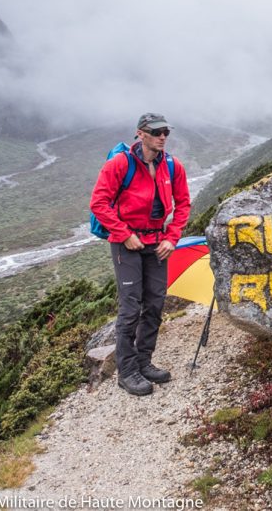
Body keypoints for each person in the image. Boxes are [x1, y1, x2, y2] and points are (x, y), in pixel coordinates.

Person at [90, 113, 191, 396]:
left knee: (156, 304)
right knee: (131, 308)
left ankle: (144, 361)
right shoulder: (120, 164)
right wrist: (124, 234)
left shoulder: (172, 166)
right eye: (157, 132)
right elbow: (99, 202)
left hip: (158, 242)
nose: (162, 137)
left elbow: (183, 204)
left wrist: (172, 238)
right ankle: (127, 371)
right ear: (141, 134)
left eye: (166, 132)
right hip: (127, 244)